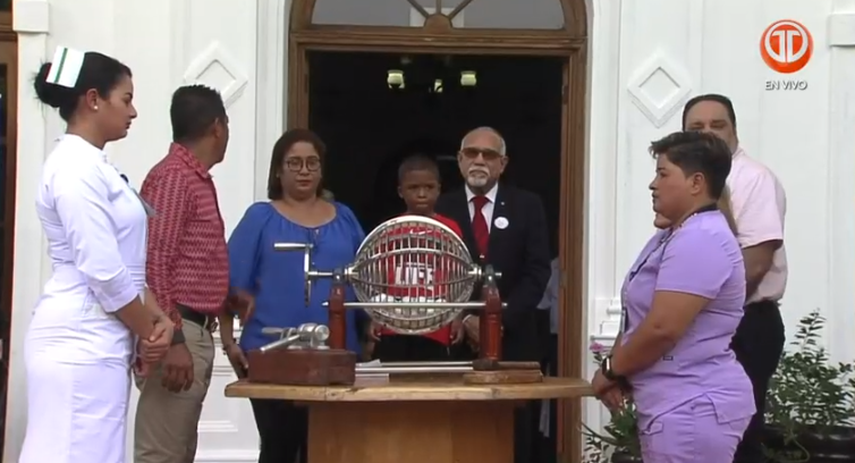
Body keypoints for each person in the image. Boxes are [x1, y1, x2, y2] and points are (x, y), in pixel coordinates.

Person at [20, 46, 173, 463]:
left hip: (101, 335)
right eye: (126, 99)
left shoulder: (96, 166)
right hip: (79, 338)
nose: (133, 111)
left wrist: (155, 316)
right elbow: (102, 270)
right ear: (93, 99)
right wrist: (147, 333)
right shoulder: (74, 168)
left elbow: (125, 264)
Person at [593, 131, 755, 462]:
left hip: (692, 404)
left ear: (696, 182)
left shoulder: (702, 237)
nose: (653, 184)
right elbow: (637, 318)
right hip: (674, 403)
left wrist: (610, 370)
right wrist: (622, 369)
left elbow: (661, 329)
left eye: (663, 174)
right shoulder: (673, 233)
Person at [219, 128, 365, 463]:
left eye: (312, 163)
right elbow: (227, 284)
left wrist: (369, 329)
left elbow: (366, 279)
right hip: (271, 358)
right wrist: (228, 343)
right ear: (278, 170)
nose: (304, 171)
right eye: (294, 163)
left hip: (337, 357)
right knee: (280, 449)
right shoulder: (260, 217)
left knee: (330, 450)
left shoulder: (344, 217)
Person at [435, 126, 551, 463]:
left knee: (513, 435)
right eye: (471, 153)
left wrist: (498, 320)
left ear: (503, 163)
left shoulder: (527, 205)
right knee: (457, 434)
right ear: (460, 160)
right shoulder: (441, 207)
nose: (479, 160)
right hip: (455, 342)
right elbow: (434, 271)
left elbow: (537, 272)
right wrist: (462, 318)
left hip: (513, 341)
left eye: (488, 155)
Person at [682, 94, 787, 463]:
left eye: (718, 125)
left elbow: (755, 265)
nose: (707, 133)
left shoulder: (753, 178)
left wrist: (703, 317)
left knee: (735, 439)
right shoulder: (688, 184)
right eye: (697, 127)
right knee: (700, 437)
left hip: (743, 324)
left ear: (735, 131)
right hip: (699, 324)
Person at [134, 85, 231, 463]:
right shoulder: (174, 177)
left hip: (192, 330)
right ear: (217, 127)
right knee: (162, 454)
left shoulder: (193, 177)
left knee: (179, 452)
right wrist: (173, 338)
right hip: (178, 330)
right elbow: (154, 262)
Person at [368, 154, 466, 362]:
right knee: (392, 376)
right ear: (400, 191)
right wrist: (376, 316)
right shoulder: (389, 229)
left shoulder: (450, 229)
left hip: (436, 324)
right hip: (393, 322)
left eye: (429, 187)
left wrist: (457, 317)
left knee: (431, 378)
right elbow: (378, 278)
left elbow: (458, 278)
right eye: (413, 188)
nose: (422, 194)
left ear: (439, 189)